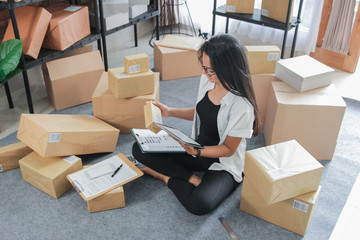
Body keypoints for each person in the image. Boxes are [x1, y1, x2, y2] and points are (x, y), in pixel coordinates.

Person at [132, 33, 260, 215]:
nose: (204, 73)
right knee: (139, 148)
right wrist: (169, 111)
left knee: (199, 204)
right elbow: (202, 112)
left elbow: (228, 149)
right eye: (204, 67)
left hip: (222, 163)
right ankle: (189, 177)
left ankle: (163, 175)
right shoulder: (208, 80)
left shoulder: (242, 106)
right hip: (195, 149)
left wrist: (197, 151)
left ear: (228, 68)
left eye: (210, 70)